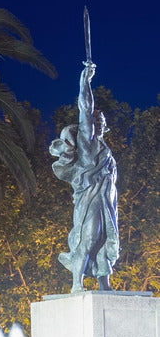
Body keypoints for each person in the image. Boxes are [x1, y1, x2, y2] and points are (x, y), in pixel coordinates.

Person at [49, 61, 119, 292]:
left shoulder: (105, 151)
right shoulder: (87, 146)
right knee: (87, 240)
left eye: (101, 123)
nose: (97, 124)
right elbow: (85, 108)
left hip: (106, 202)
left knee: (102, 244)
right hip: (88, 199)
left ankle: (104, 283)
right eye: (94, 122)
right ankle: (76, 284)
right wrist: (85, 81)